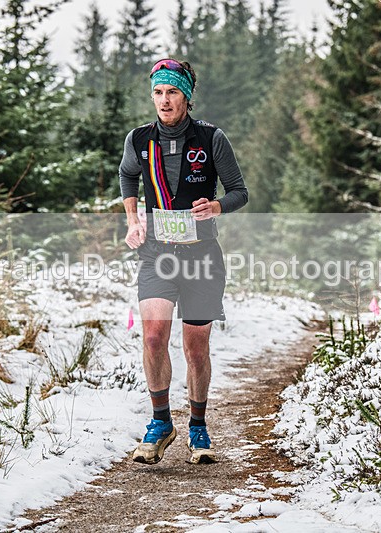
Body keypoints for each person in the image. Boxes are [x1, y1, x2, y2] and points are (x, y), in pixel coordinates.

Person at [119, 58, 248, 465]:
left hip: (201, 256)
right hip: (157, 253)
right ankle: (160, 423)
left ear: (186, 97)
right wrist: (133, 220)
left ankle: (197, 424)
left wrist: (216, 206)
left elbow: (240, 191)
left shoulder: (211, 138)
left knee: (196, 347)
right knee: (154, 335)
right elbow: (127, 176)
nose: (164, 100)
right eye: (158, 92)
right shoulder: (140, 139)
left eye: (172, 92)